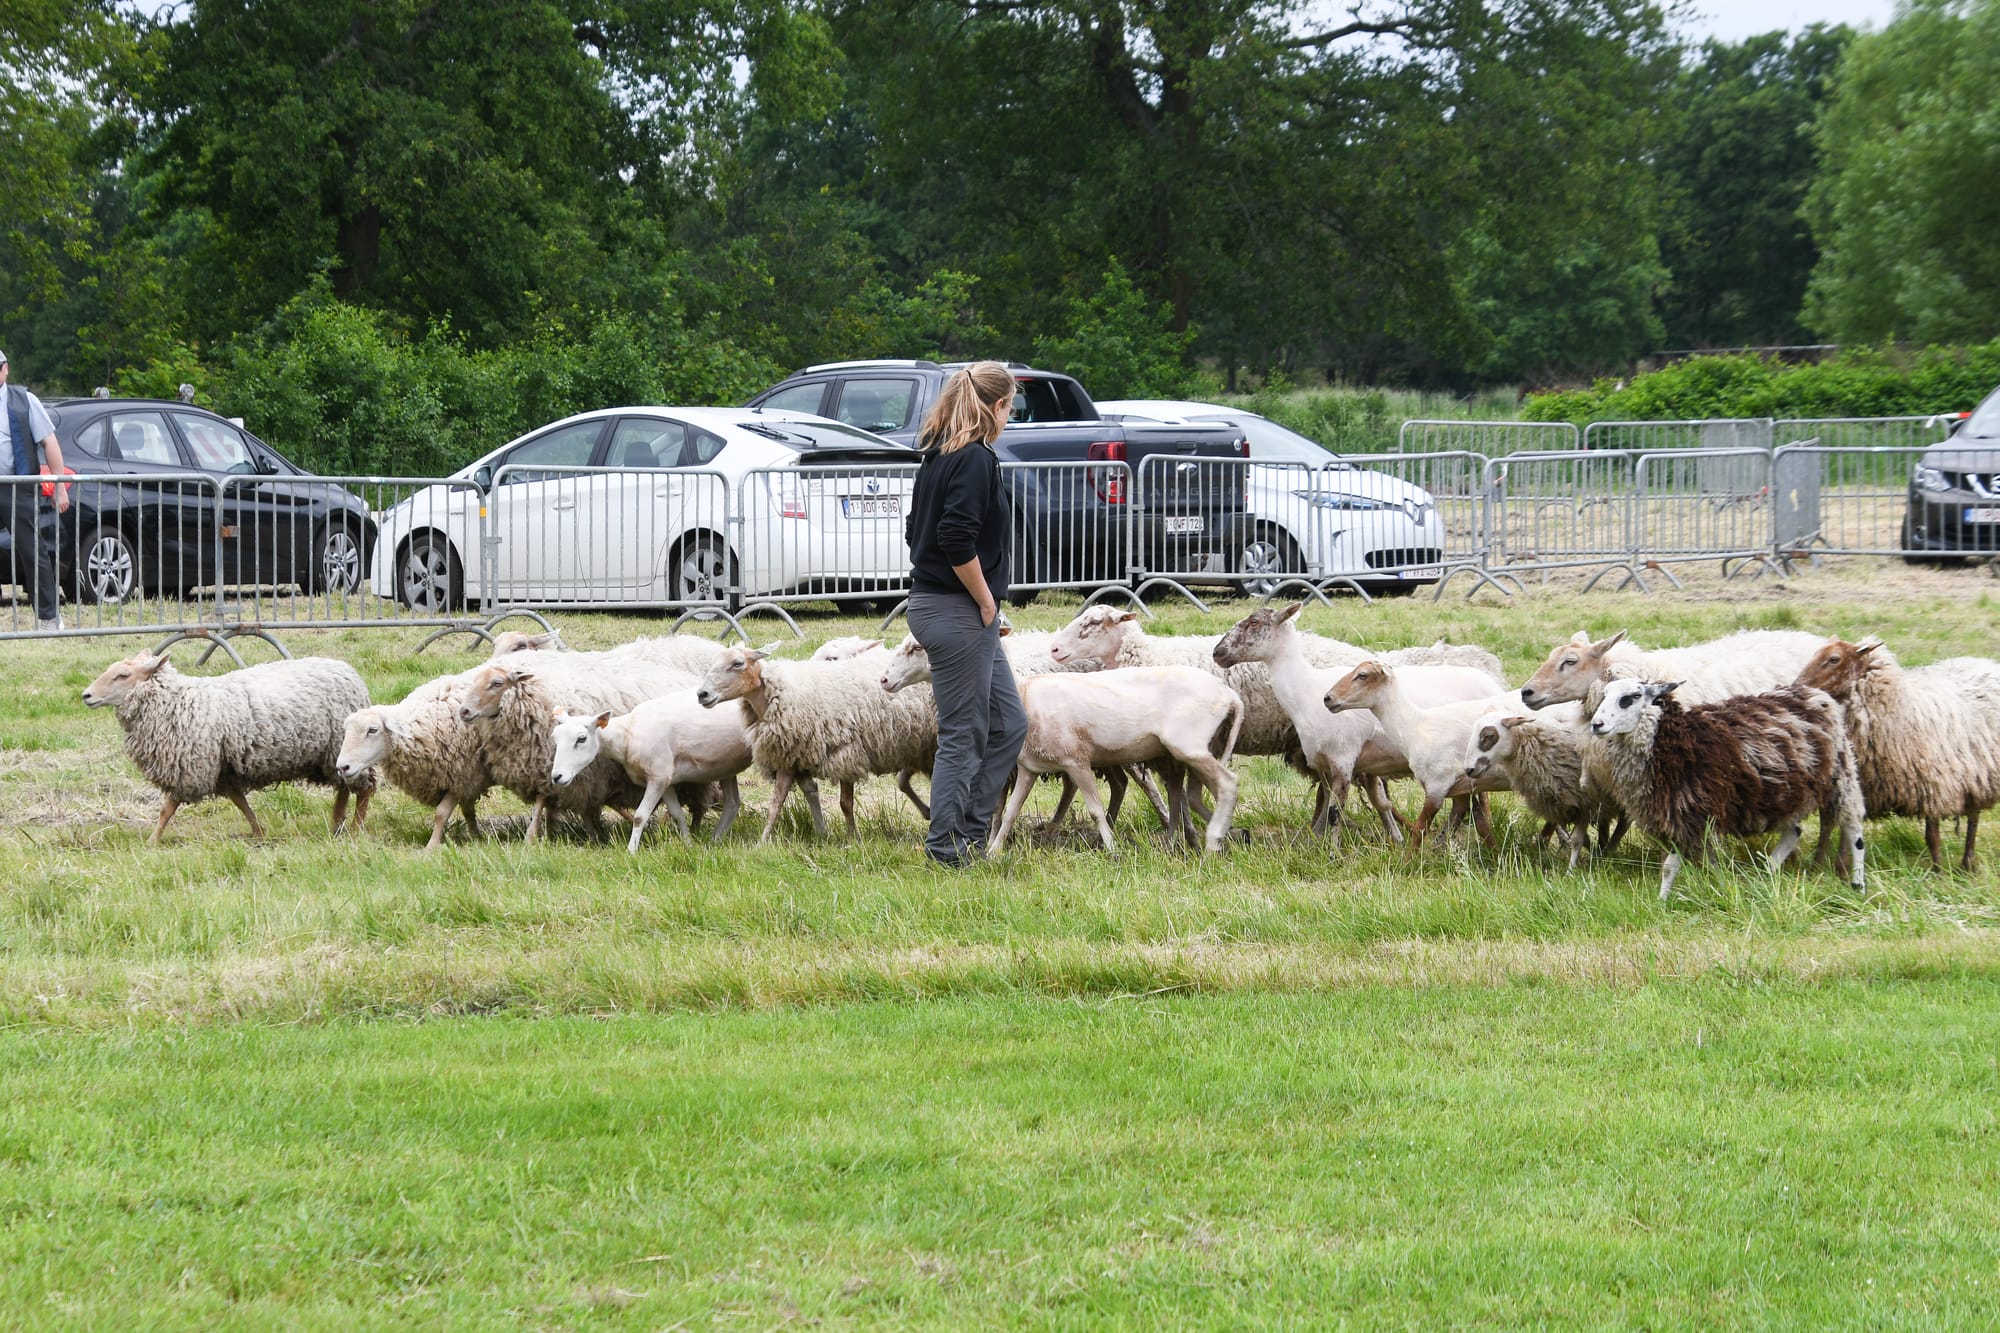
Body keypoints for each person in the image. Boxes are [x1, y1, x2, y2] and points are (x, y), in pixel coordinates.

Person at [905, 361, 1028, 867]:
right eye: (1009, 408)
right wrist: (985, 600)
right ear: (996, 406)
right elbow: (955, 539)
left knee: (1009, 724)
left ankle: (969, 835)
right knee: (964, 733)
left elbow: (914, 531)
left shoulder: (938, 455)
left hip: (941, 605)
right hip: (957, 611)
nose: (1009, 418)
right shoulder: (973, 458)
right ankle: (945, 849)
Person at [1, 351, 68, 632]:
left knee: (32, 551)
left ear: (5, 369)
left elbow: (49, 442)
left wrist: (60, 486)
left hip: (18, 486)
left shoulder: (25, 400)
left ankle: (49, 617)